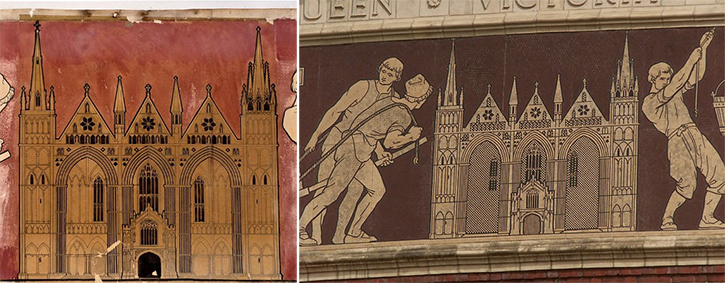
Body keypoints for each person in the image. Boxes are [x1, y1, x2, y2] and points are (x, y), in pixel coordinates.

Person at [300, 74, 431, 245]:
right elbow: (391, 142)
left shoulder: (389, 99)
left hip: (358, 148)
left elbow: (370, 126)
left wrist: (379, 152)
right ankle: (300, 227)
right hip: (354, 151)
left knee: (377, 189)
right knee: (331, 193)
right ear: (420, 101)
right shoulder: (403, 114)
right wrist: (410, 138)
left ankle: (352, 232)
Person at [642, 28, 725, 230]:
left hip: (694, 134)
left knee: (720, 174)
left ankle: (707, 218)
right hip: (678, 141)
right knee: (687, 185)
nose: (668, 81)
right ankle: (667, 218)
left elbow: (696, 76)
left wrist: (703, 50)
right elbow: (676, 84)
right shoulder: (650, 103)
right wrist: (690, 59)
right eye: (663, 78)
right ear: (653, 79)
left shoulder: (674, 92)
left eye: (668, 78)